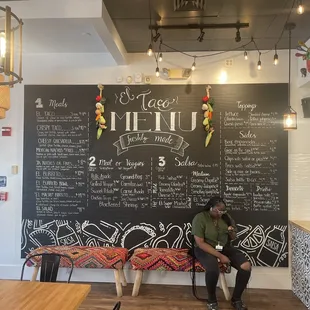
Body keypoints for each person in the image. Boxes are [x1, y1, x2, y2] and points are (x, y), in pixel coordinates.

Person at [192, 196, 251, 310]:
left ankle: (236, 299)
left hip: (223, 247)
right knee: (213, 269)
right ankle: (212, 300)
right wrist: (220, 256)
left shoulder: (226, 217)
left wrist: (231, 231)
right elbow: (200, 242)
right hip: (205, 248)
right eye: (218, 210)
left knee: (246, 266)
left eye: (223, 210)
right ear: (211, 208)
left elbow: (233, 237)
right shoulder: (200, 218)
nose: (221, 213)